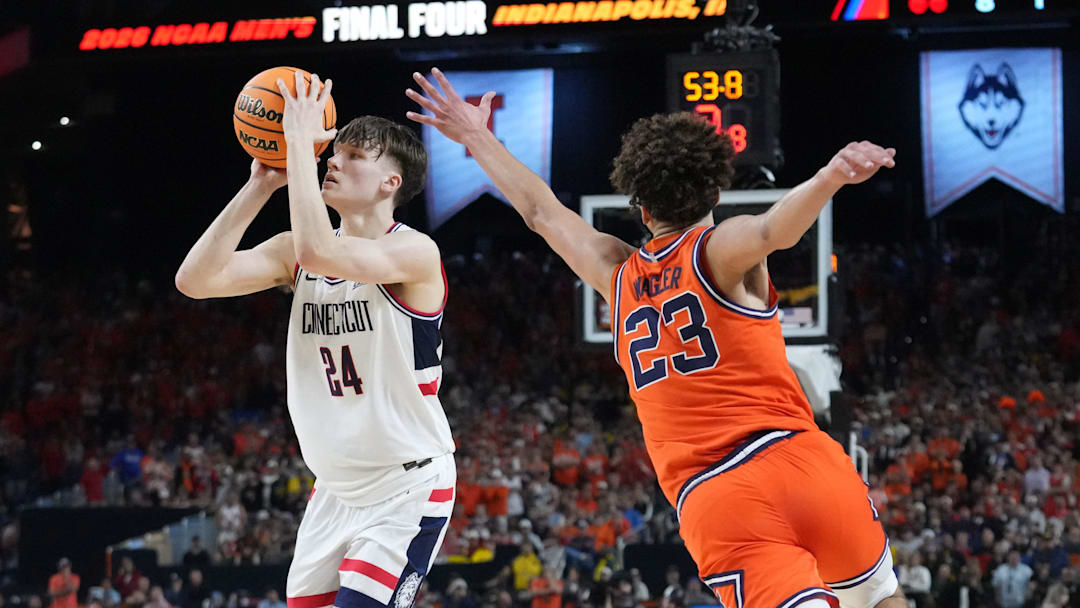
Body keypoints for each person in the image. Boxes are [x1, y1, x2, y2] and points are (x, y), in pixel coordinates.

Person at [407, 68, 903, 608]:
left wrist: (477, 136)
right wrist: (829, 176)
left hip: (720, 494)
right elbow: (772, 230)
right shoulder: (718, 250)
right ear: (716, 189)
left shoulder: (615, 275)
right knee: (881, 599)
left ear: (640, 209)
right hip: (806, 463)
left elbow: (539, 212)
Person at [177, 71, 456, 608]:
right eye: (334, 151)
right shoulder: (295, 251)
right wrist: (260, 183)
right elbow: (195, 281)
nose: (333, 159)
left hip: (406, 488)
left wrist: (300, 148)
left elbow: (321, 252)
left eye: (353, 155)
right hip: (333, 492)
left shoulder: (415, 253)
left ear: (389, 183)